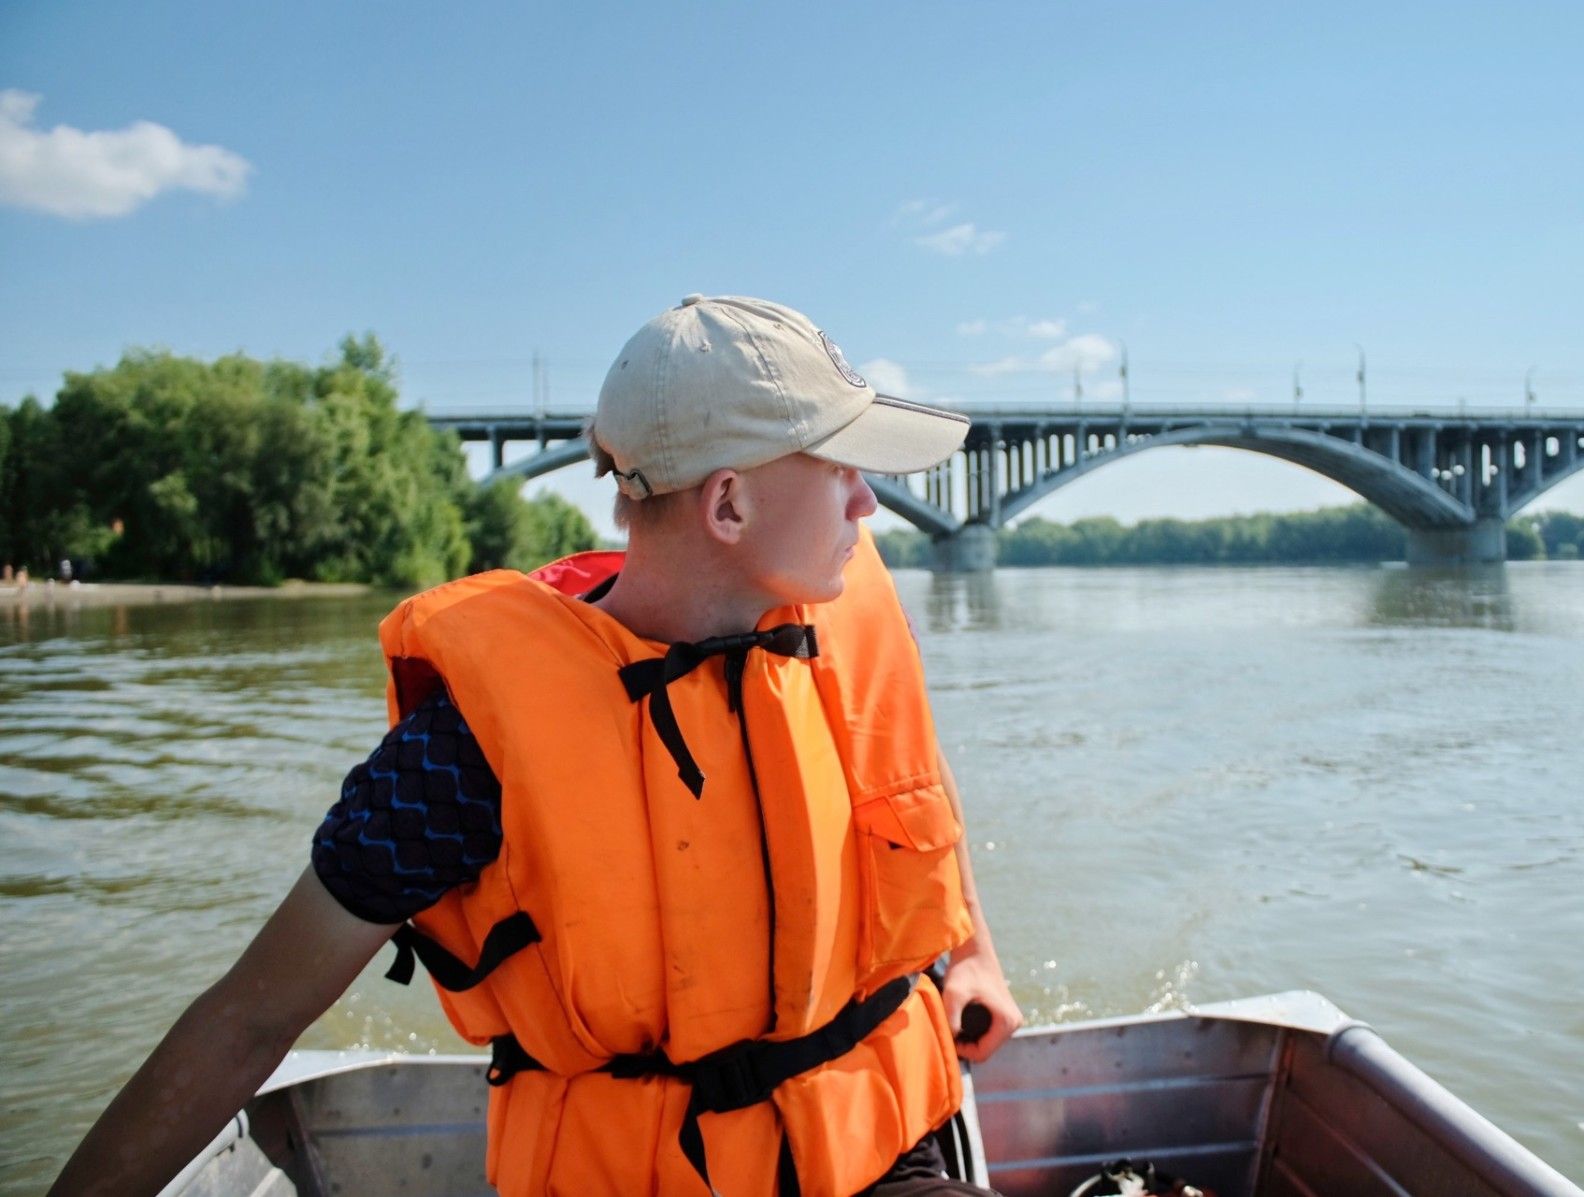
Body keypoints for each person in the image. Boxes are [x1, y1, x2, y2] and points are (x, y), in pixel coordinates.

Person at [51, 294, 1022, 1196]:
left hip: (881, 1140)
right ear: (729, 506)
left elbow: (909, 781)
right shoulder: (467, 750)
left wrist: (975, 953)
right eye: (842, 469)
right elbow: (249, 1019)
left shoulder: (842, 615)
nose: (869, 507)